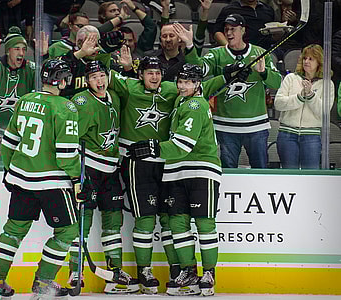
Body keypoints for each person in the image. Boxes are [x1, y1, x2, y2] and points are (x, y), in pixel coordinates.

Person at [0, 59, 80, 299]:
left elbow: (8, 142)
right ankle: (43, 282)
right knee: (68, 231)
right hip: (51, 182)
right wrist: (78, 178)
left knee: (13, 230)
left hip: (21, 178)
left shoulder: (25, 100)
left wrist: (9, 170)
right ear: (61, 80)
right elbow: (67, 154)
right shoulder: (65, 107)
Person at [127, 64, 225, 296]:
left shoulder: (194, 105)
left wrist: (153, 148)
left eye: (188, 82)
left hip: (201, 169)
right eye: (180, 81)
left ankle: (209, 274)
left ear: (198, 84)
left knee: (204, 224)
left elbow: (183, 145)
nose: (182, 86)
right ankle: (189, 273)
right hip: (175, 171)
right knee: (178, 224)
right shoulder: (182, 101)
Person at [109, 52, 180, 294]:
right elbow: (99, 76)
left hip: (166, 162)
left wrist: (225, 75)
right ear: (140, 75)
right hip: (137, 163)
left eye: (158, 72)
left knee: (169, 219)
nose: (154, 76)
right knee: (146, 219)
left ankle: (176, 270)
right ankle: (144, 270)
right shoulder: (130, 87)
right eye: (150, 72)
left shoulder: (171, 89)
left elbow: (200, 85)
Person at [67, 61, 139, 294]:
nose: (99, 81)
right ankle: (75, 271)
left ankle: (114, 274)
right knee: (83, 220)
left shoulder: (114, 98)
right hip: (89, 168)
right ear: (86, 80)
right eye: (93, 77)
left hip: (112, 169)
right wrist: (75, 173)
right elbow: (70, 137)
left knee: (113, 222)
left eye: (102, 76)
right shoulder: (82, 102)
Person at [178, 14, 282, 168]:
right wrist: (189, 45)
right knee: (227, 170)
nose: (229, 33)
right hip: (226, 126)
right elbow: (198, 70)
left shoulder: (259, 54)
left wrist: (263, 72)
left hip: (256, 126)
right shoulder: (217, 54)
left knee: (261, 171)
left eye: (233, 29)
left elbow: (277, 82)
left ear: (243, 30)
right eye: (226, 30)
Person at [0, 26, 48, 160]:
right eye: (17, 49)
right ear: (8, 51)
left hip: (19, 129)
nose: (21, 53)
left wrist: (43, 56)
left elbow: (48, 81)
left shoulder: (30, 68)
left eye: (24, 49)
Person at [274, 44, 335, 169]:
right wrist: (300, 97)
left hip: (311, 135)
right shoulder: (291, 78)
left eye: (311, 59)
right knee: (289, 175)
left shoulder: (328, 84)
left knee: (311, 175)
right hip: (287, 134)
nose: (306, 61)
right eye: (304, 58)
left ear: (319, 62)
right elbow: (278, 103)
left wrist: (311, 95)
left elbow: (324, 112)